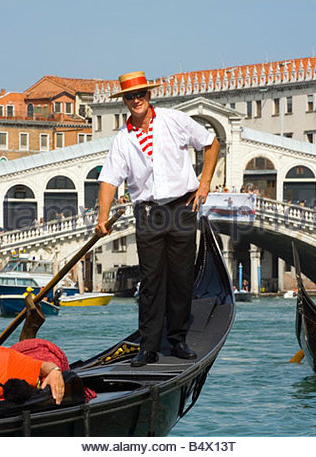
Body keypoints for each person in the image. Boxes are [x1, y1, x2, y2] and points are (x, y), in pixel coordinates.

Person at [95, 71, 220, 367]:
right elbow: (110, 180)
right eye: (130, 96)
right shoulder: (123, 139)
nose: (136, 100)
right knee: (151, 281)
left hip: (181, 208)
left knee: (180, 277)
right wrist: (102, 217)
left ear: (149, 95)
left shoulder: (174, 120)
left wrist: (205, 184)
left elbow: (211, 142)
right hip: (149, 213)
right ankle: (148, 346)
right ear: (124, 101)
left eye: (140, 94)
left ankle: (177, 339)